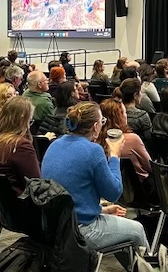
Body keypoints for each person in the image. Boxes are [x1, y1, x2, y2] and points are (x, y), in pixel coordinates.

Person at [41, 102, 150, 263]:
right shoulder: (93, 151)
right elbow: (113, 193)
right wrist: (114, 155)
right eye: (102, 121)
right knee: (137, 230)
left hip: (55, 226)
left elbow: (72, 194)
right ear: (95, 126)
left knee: (123, 235)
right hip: (81, 230)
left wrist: (100, 210)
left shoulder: (55, 145)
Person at [0, 97, 41, 195]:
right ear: (23, 119)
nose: (28, 126)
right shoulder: (20, 146)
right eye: (29, 121)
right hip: (22, 205)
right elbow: (36, 184)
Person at [97, 98, 152, 186]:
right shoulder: (133, 139)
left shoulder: (96, 141)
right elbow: (150, 166)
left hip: (110, 186)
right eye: (125, 112)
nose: (126, 115)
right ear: (120, 117)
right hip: (139, 188)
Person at [115, 78, 152, 144]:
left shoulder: (113, 111)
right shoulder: (142, 116)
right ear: (135, 95)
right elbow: (149, 139)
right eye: (140, 92)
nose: (141, 94)